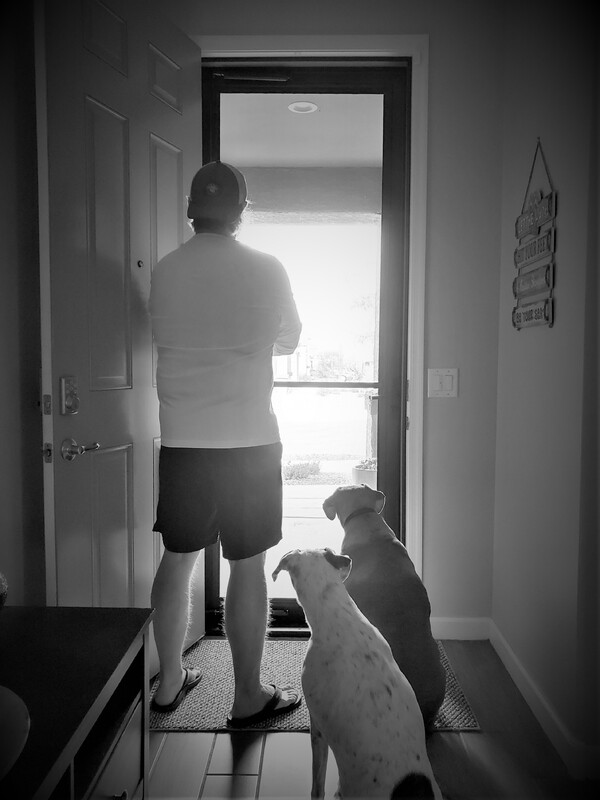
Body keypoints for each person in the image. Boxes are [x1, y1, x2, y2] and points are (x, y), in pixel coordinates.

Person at [148, 161, 302, 725]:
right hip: (250, 444)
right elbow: (289, 340)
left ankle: (168, 684)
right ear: (241, 211)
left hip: (185, 443)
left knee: (177, 558)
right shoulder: (267, 268)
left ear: (193, 209)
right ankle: (246, 696)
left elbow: (162, 334)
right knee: (247, 565)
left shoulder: (165, 269)